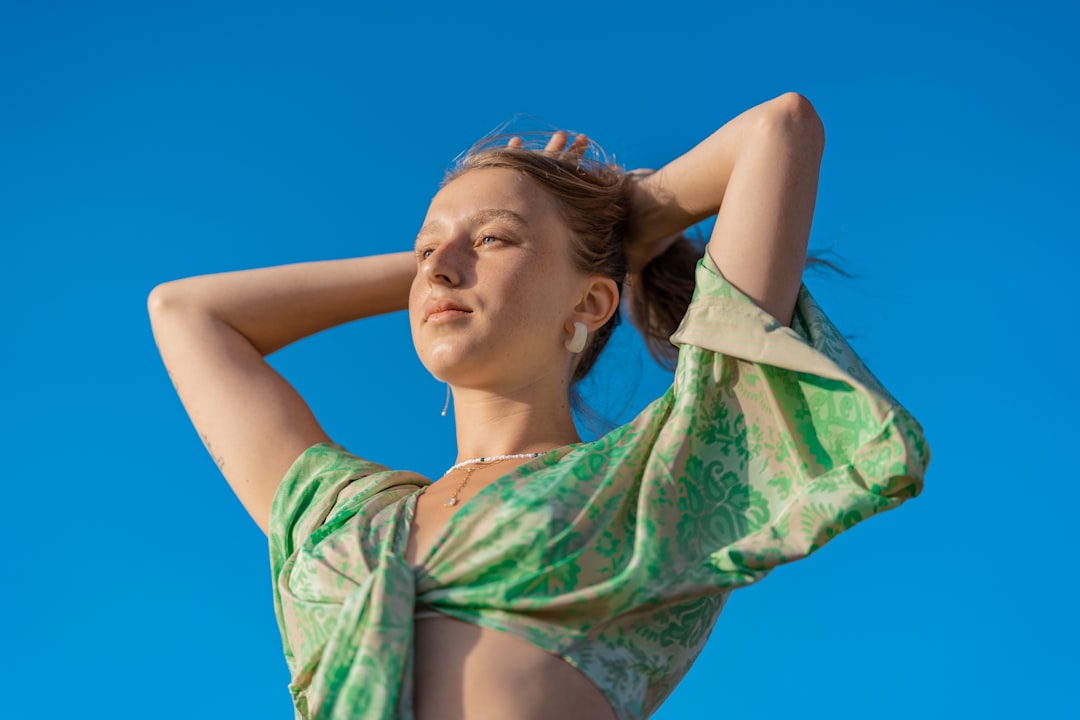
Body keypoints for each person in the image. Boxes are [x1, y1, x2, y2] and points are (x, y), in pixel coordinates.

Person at [148, 92, 929, 720]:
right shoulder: (342, 515)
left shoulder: (656, 477)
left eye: (492, 242)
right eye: (428, 251)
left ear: (591, 303)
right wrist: (445, 263)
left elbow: (779, 127)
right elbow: (187, 312)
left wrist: (625, 224)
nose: (443, 269)